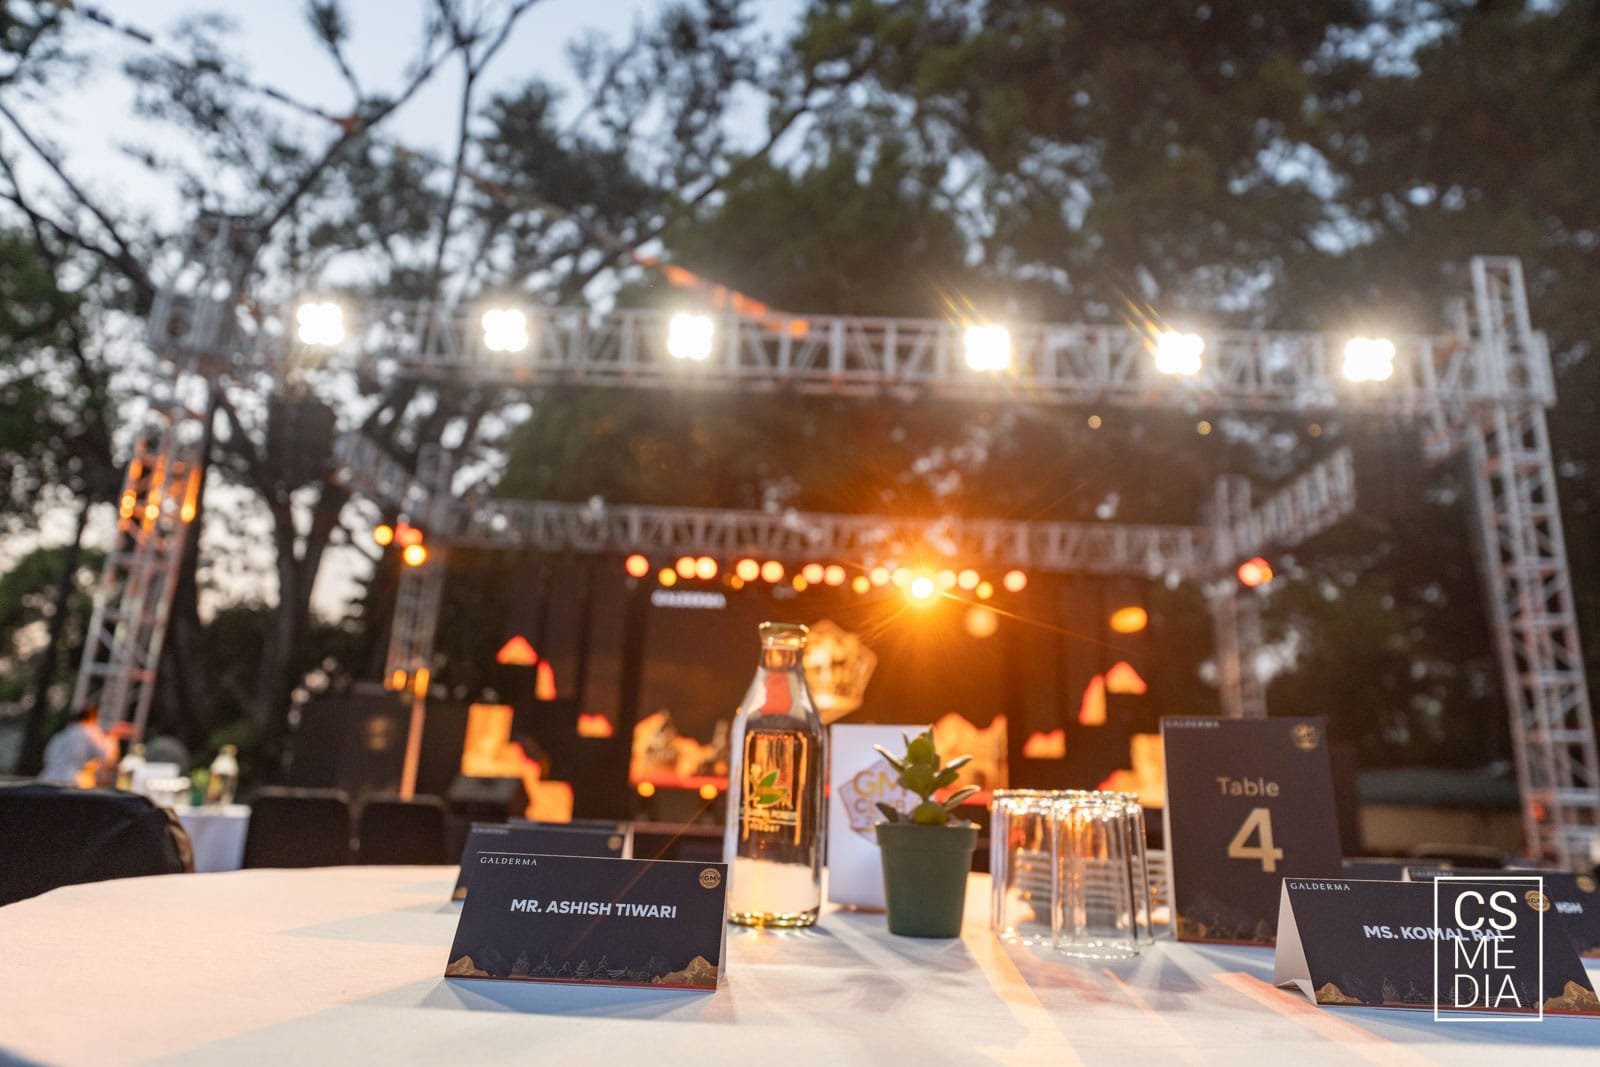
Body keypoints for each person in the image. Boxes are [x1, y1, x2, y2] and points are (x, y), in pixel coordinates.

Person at [39, 706, 131, 787]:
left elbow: (48, 756)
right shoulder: (90, 731)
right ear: (92, 719)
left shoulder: (62, 735)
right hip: (74, 782)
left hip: (48, 778)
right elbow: (106, 756)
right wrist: (113, 736)